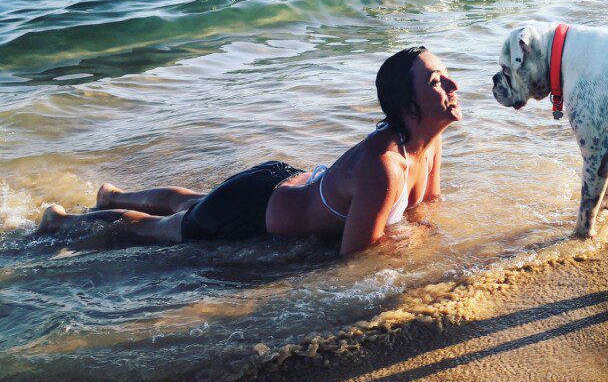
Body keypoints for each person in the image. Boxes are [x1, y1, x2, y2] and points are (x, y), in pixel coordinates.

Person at [35, 47, 461, 256]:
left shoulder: (428, 140)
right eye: (436, 82)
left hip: (281, 185)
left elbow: (426, 205)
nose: (453, 85)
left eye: (446, 75)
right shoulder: (383, 165)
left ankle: (112, 195)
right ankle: (61, 222)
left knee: (194, 204)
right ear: (407, 105)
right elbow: (356, 258)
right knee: (160, 230)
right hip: (255, 209)